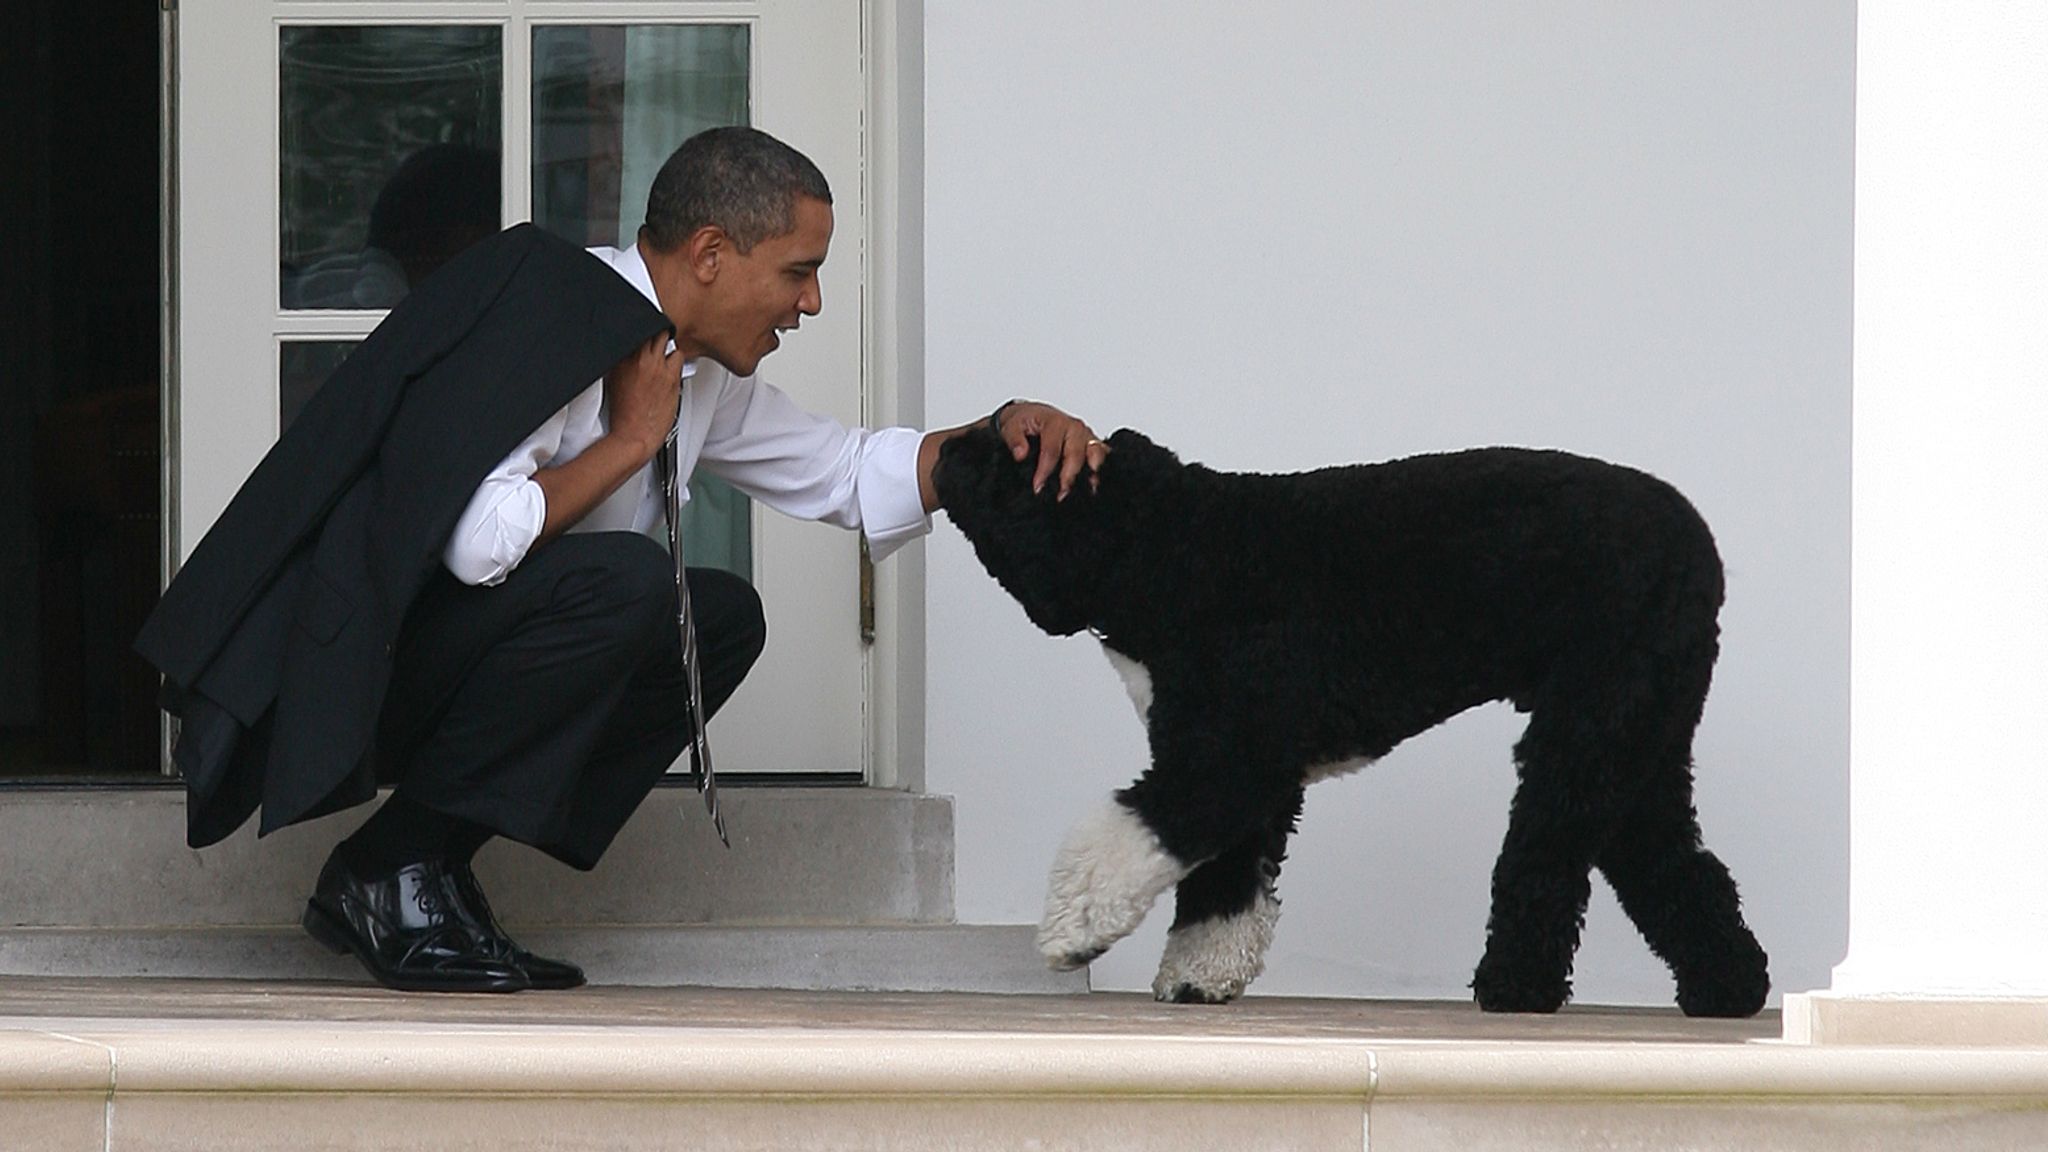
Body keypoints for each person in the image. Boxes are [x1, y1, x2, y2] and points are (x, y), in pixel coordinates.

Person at [289, 126, 1107, 992]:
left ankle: (429, 862)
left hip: (456, 660)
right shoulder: (562, 313)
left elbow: (844, 470)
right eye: (799, 271)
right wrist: (637, 438)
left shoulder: (697, 369)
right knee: (631, 584)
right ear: (711, 252)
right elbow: (477, 542)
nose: (813, 303)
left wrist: (998, 436)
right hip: (357, 676)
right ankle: (393, 866)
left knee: (718, 619)